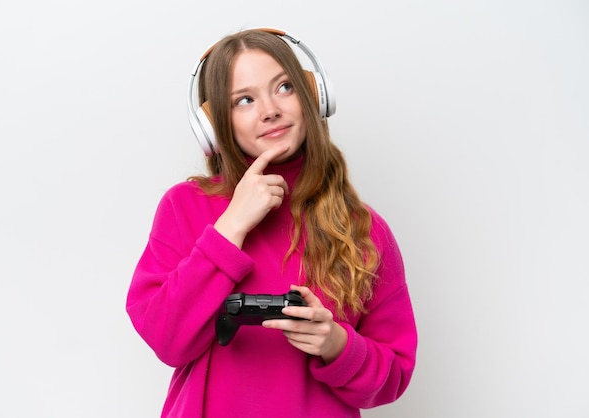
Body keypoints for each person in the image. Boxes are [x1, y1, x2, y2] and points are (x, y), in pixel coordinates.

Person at [126, 28, 417, 418]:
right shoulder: (185, 207)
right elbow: (166, 339)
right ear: (215, 125)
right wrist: (232, 226)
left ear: (313, 95)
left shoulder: (365, 229)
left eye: (283, 88)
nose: (269, 110)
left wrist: (336, 344)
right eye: (244, 100)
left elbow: (395, 374)